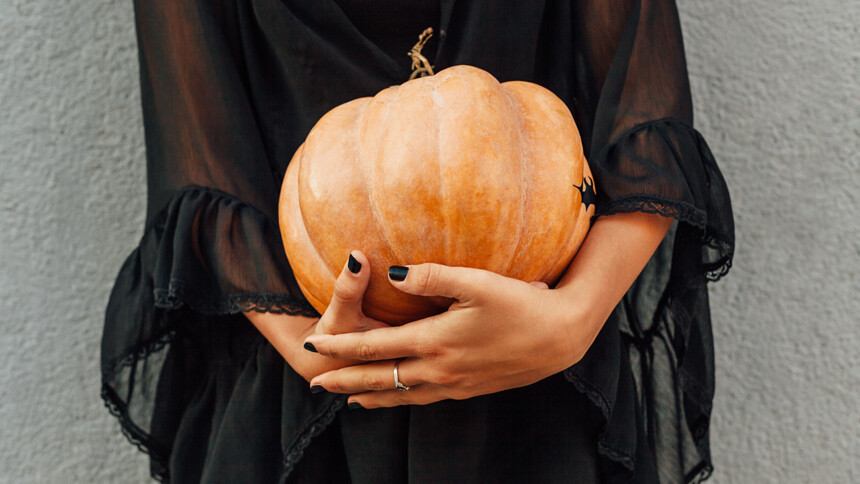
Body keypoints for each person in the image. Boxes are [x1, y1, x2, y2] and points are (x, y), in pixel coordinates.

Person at [100, 0, 734, 482]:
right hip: (303, 399)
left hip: (541, 385)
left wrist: (572, 319)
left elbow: (645, 110)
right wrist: (319, 352)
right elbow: (198, 158)